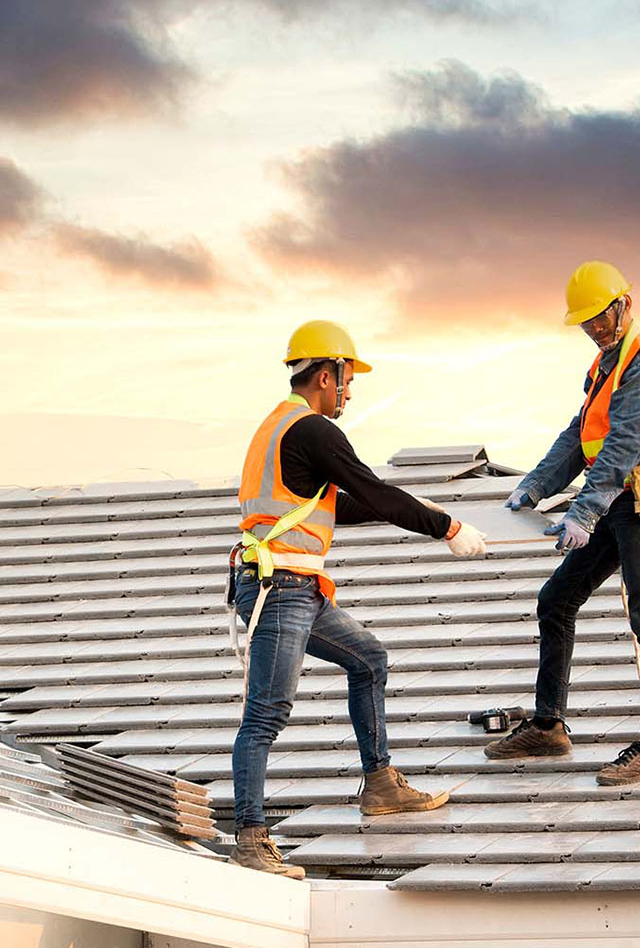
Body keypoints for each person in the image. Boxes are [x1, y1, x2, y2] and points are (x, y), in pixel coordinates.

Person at [228, 319, 488, 877]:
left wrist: (395, 505)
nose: (350, 392)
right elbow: (369, 489)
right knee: (265, 716)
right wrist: (446, 526)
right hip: (282, 591)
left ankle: (379, 783)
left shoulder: (277, 428)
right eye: (347, 381)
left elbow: (338, 505)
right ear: (327, 374)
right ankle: (251, 838)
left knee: (368, 659)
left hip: (293, 586)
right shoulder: (315, 431)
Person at [490, 261, 640, 787]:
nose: (595, 329)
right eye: (586, 323)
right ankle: (550, 725)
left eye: (600, 319)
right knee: (556, 600)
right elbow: (580, 436)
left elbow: (624, 444)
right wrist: (534, 486)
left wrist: (583, 511)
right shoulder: (605, 364)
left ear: (623, 305)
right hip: (612, 500)